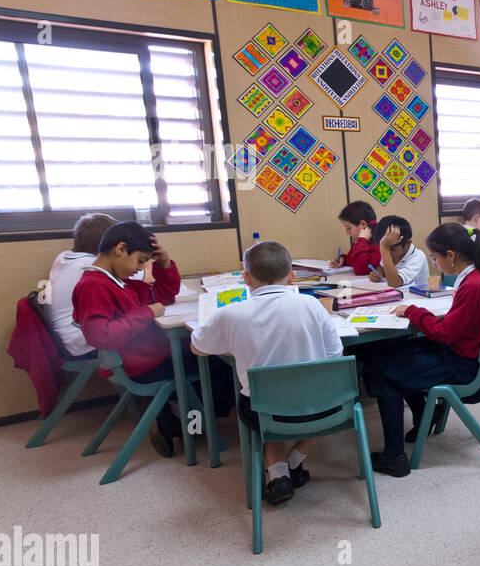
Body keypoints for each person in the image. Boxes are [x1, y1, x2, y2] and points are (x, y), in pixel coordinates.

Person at [191, 240, 343, 505]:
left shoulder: (230, 314)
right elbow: (335, 354)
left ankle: (278, 473)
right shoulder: (312, 305)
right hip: (323, 407)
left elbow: (197, 347)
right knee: (331, 401)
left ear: (245, 277)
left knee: (269, 402)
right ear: (292, 276)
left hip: (263, 411)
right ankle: (292, 462)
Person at [363, 224, 480, 476]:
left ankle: (394, 456)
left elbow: (445, 333)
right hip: (478, 358)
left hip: (464, 365)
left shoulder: (473, 284)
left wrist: (413, 311)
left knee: (382, 372)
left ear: (451, 255)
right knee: (389, 351)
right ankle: (424, 410)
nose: (434, 263)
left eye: (435, 257)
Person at [72, 221, 234, 456]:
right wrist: (146, 313)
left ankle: (177, 419)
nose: (140, 269)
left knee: (206, 355)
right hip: (142, 363)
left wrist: (164, 263)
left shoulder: (117, 282)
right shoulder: (94, 285)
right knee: (218, 362)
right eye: (139, 261)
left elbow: (165, 295)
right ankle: (181, 425)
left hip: (146, 355)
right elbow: (101, 336)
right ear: (120, 249)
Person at [46, 212, 118, 357]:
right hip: (81, 340)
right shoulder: (91, 265)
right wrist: (147, 264)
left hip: (65, 337)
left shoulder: (63, 257)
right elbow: (144, 280)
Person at [368, 215, 430, 288]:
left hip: (419, 297)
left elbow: (394, 283)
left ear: (408, 243)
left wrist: (384, 248)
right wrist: (376, 274)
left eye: (392, 249)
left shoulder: (418, 256)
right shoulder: (389, 250)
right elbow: (381, 268)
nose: (387, 253)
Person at [332, 202, 379, 274]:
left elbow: (361, 270)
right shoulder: (362, 242)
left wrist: (362, 240)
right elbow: (353, 258)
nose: (347, 233)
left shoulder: (379, 244)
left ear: (363, 224)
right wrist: (343, 260)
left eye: (349, 228)